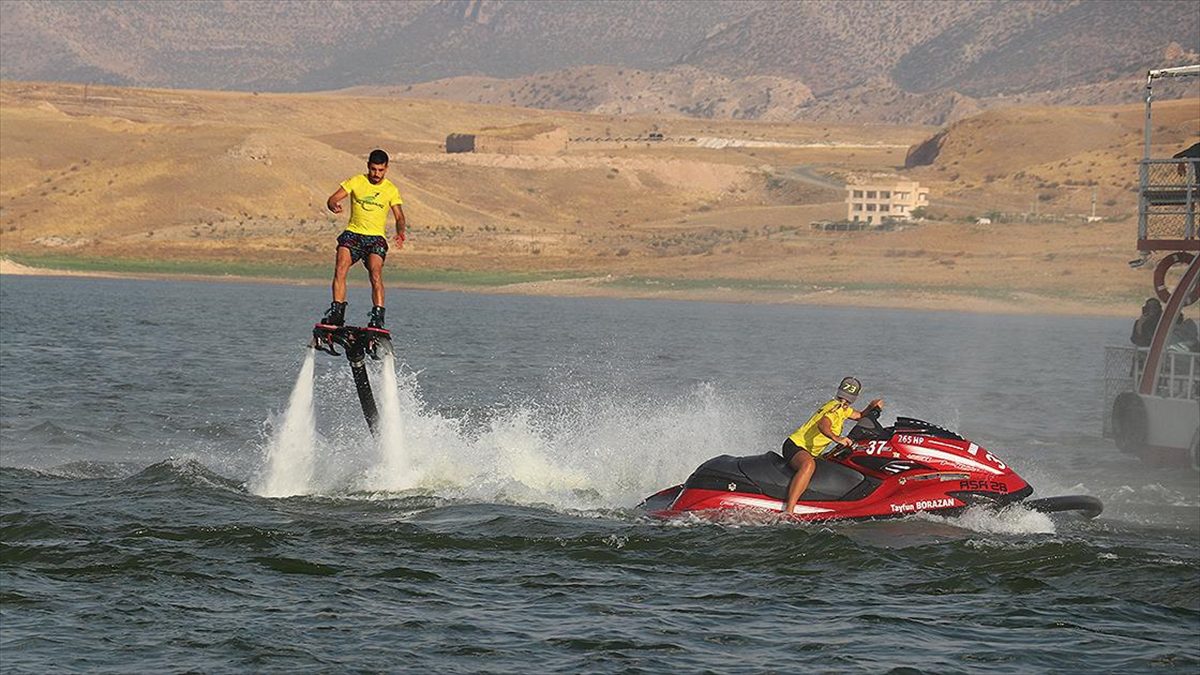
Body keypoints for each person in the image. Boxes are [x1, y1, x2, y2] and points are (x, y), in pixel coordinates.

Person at [318, 149, 407, 329]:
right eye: (373, 169)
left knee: (375, 273)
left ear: (386, 169)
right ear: (368, 166)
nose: (376, 174)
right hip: (353, 234)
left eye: (380, 170)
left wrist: (400, 232)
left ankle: (378, 316)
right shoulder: (356, 181)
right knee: (341, 267)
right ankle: (337, 312)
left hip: (375, 238)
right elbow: (333, 198)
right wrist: (332, 204)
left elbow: (399, 216)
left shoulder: (390, 189)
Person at [782, 376, 883, 515]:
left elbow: (859, 415)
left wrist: (872, 406)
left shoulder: (844, 409)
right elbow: (823, 425)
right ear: (839, 393)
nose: (844, 401)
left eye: (848, 399)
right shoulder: (835, 408)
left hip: (808, 450)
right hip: (795, 446)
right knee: (808, 465)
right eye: (842, 397)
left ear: (853, 399)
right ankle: (789, 511)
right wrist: (837, 438)